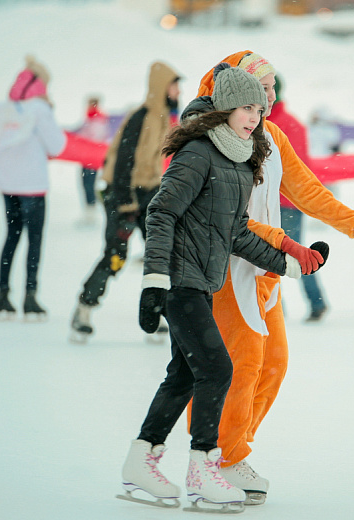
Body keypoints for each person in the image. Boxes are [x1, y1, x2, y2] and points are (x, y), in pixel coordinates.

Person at [188, 51, 354, 505]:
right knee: (239, 367)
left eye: (272, 89)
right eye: (260, 89)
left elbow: (307, 190)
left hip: (265, 271)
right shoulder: (220, 139)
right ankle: (218, 457)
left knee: (273, 364)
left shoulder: (271, 134)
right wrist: (285, 243)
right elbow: (229, 220)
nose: (269, 97)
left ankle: (229, 450)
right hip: (227, 267)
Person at [120, 65, 319, 513]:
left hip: (202, 283)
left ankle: (141, 459)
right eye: (247, 106)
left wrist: (286, 262)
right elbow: (160, 213)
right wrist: (154, 282)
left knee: (185, 374)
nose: (255, 115)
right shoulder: (198, 152)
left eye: (259, 108)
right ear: (226, 107)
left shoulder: (237, 159)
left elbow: (238, 232)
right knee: (217, 369)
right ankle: (204, 468)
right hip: (180, 282)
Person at [70, 62, 180, 342]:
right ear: (161, 87)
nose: (178, 90)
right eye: (173, 84)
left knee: (160, 256)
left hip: (149, 193)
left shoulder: (166, 117)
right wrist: (126, 203)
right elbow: (122, 163)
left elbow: (155, 162)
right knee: (116, 256)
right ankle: (84, 308)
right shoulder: (140, 117)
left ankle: (155, 316)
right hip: (123, 194)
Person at [0, 56, 66, 320]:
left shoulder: (4, 109)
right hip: (33, 185)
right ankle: (30, 296)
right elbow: (57, 146)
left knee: (11, 236)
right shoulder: (39, 110)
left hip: (7, 184)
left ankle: (2, 294)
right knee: (34, 240)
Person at [268, 74, 328, 322]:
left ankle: (274, 309)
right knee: (299, 254)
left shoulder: (270, 125)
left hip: (277, 201)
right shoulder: (293, 123)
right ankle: (316, 301)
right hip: (293, 201)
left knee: (269, 258)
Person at [74, 96, 109, 226]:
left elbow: (94, 139)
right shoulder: (89, 119)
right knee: (86, 185)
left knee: (89, 186)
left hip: (91, 160)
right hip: (86, 159)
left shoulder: (97, 120)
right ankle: (89, 212)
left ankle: (91, 214)